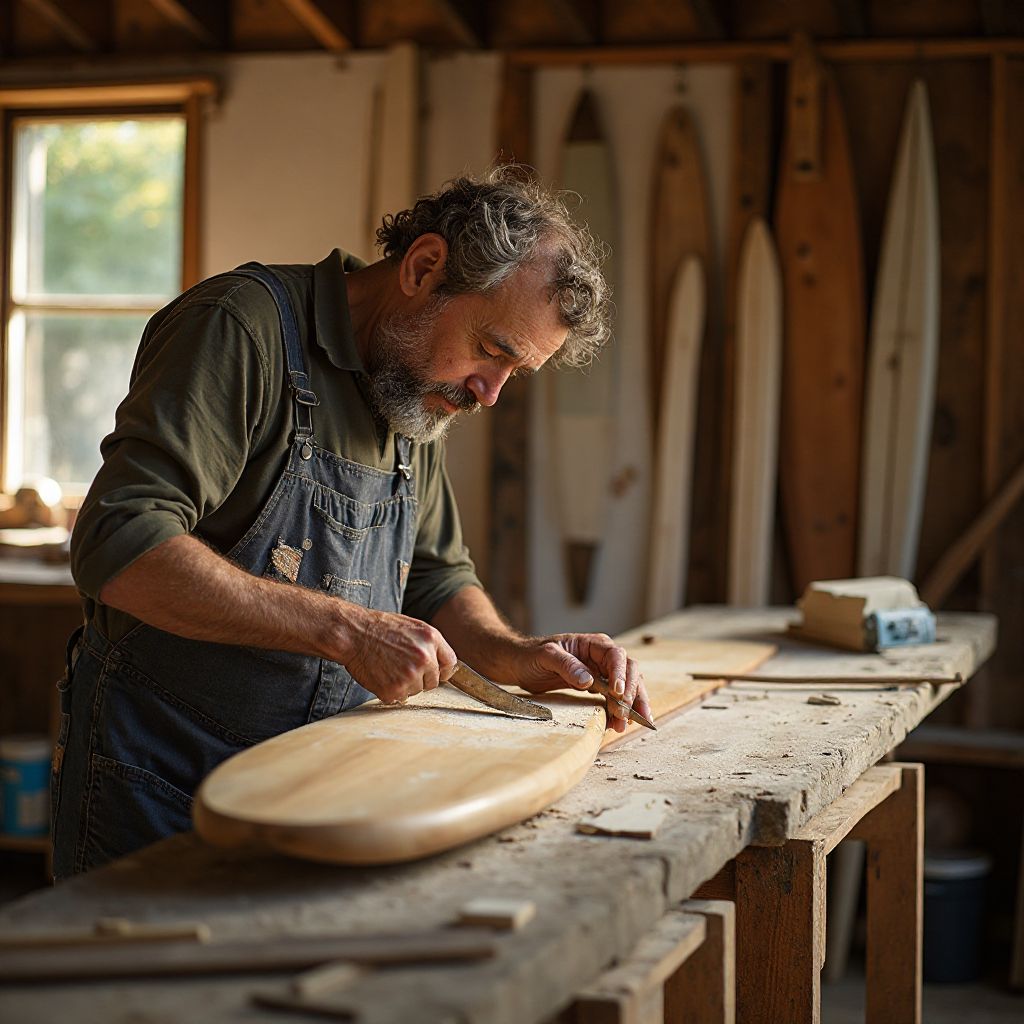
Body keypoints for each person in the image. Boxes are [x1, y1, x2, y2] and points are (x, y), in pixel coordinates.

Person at [53, 166, 653, 879]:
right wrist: (345, 628)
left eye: (515, 373)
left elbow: (433, 577)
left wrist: (511, 654)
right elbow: (119, 542)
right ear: (425, 268)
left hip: (323, 785)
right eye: (493, 351)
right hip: (163, 778)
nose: (489, 394)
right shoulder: (242, 329)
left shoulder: (413, 392)